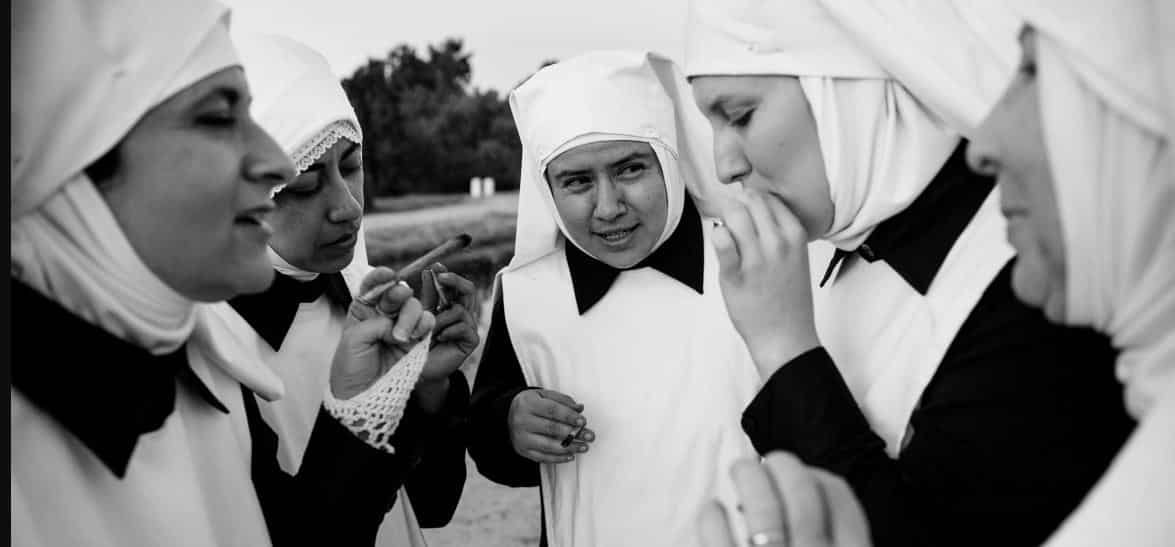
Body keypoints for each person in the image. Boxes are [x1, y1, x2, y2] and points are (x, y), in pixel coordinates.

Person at [684, 0, 1134, 545]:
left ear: (850, 95)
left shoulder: (1030, 269)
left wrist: (785, 349)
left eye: (739, 116)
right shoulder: (834, 250)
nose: (725, 165)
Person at [11, 1, 437, 545]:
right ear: (67, 154)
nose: (272, 162)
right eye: (217, 118)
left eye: (351, 166)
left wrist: (368, 404)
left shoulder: (209, 368)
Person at [467, 50, 761, 547]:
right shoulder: (525, 295)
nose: (608, 206)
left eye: (629, 170)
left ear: (670, 160)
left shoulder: (751, 257)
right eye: (577, 181)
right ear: (547, 189)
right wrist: (509, 422)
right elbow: (495, 453)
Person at [223, 34, 475, 544]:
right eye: (304, 184)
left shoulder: (368, 297)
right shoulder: (215, 347)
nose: (349, 207)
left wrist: (427, 388)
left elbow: (434, 505)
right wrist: (360, 413)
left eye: (352, 167)